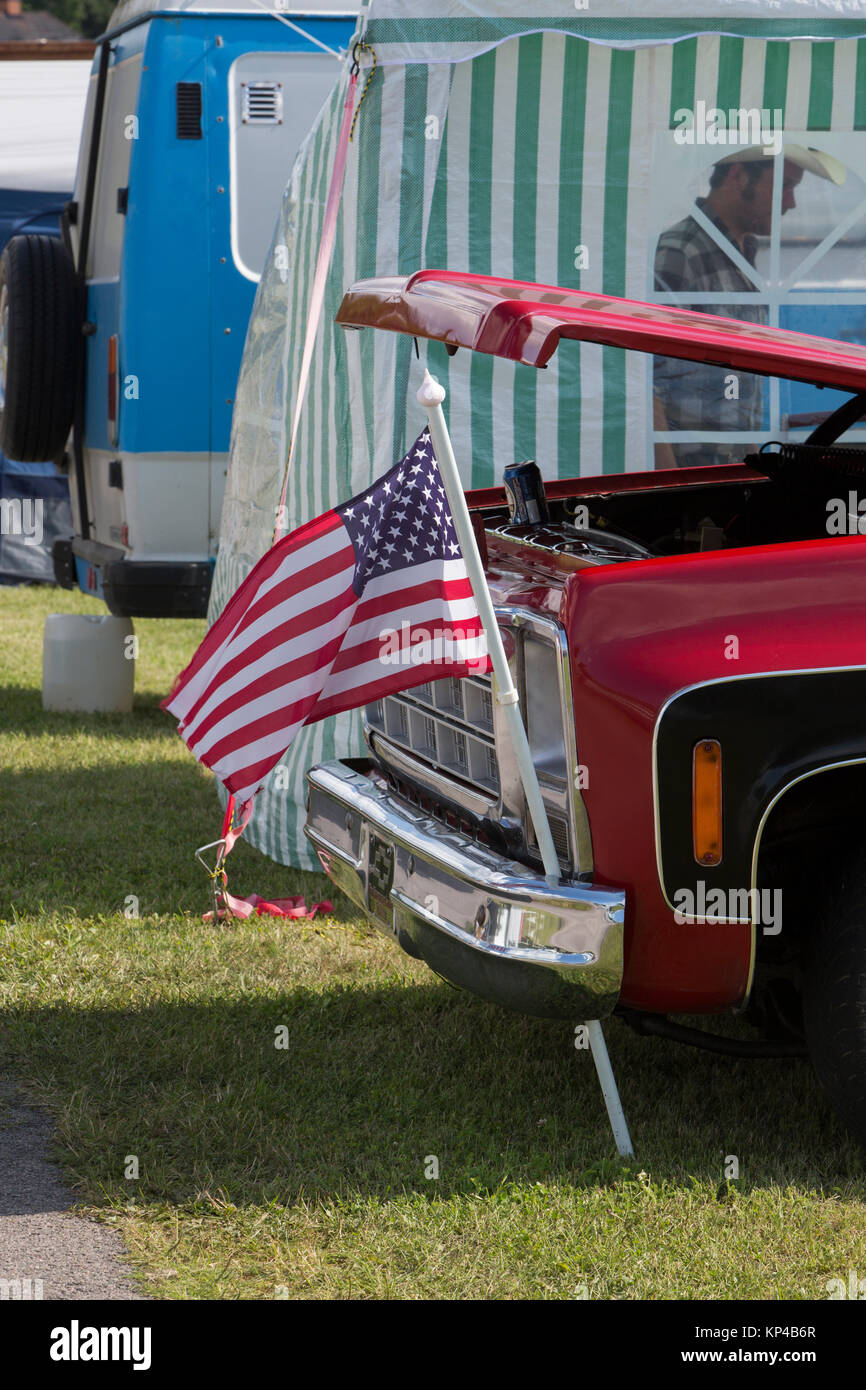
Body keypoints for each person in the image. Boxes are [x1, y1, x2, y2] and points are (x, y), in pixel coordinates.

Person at [653, 145, 845, 468]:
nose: (791, 202)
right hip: (690, 477)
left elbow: (737, 392)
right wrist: (664, 488)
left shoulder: (741, 253)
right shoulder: (679, 253)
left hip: (728, 471)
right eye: (784, 185)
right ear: (737, 174)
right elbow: (646, 384)